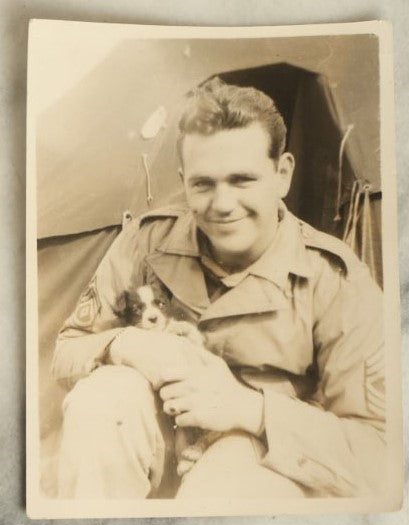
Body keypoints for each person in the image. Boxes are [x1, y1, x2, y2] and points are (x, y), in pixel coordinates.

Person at [51, 78, 385, 500]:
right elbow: (66, 351)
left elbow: (380, 456)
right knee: (101, 402)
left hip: (256, 457)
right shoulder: (147, 240)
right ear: (183, 179)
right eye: (203, 184)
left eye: (242, 180)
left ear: (282, 174)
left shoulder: (335, 279)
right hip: (150, 445)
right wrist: (123, 344)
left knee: (230, 485)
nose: (222, 204)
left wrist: (251, 409)